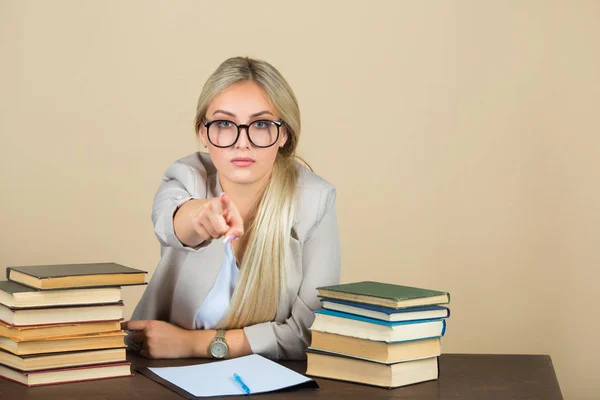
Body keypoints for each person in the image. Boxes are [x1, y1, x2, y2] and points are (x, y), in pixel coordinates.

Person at [123, 56, 341, 361]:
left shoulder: (315, 199)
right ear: (203, 132)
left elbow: (310, 331)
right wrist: (202, 217)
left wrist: (194, 344)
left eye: (261, 124)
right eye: (225, 124)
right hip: (165, 374)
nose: (242, 143)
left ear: (284, 134)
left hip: (274, 381)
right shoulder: (186, 176)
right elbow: (169, 220)